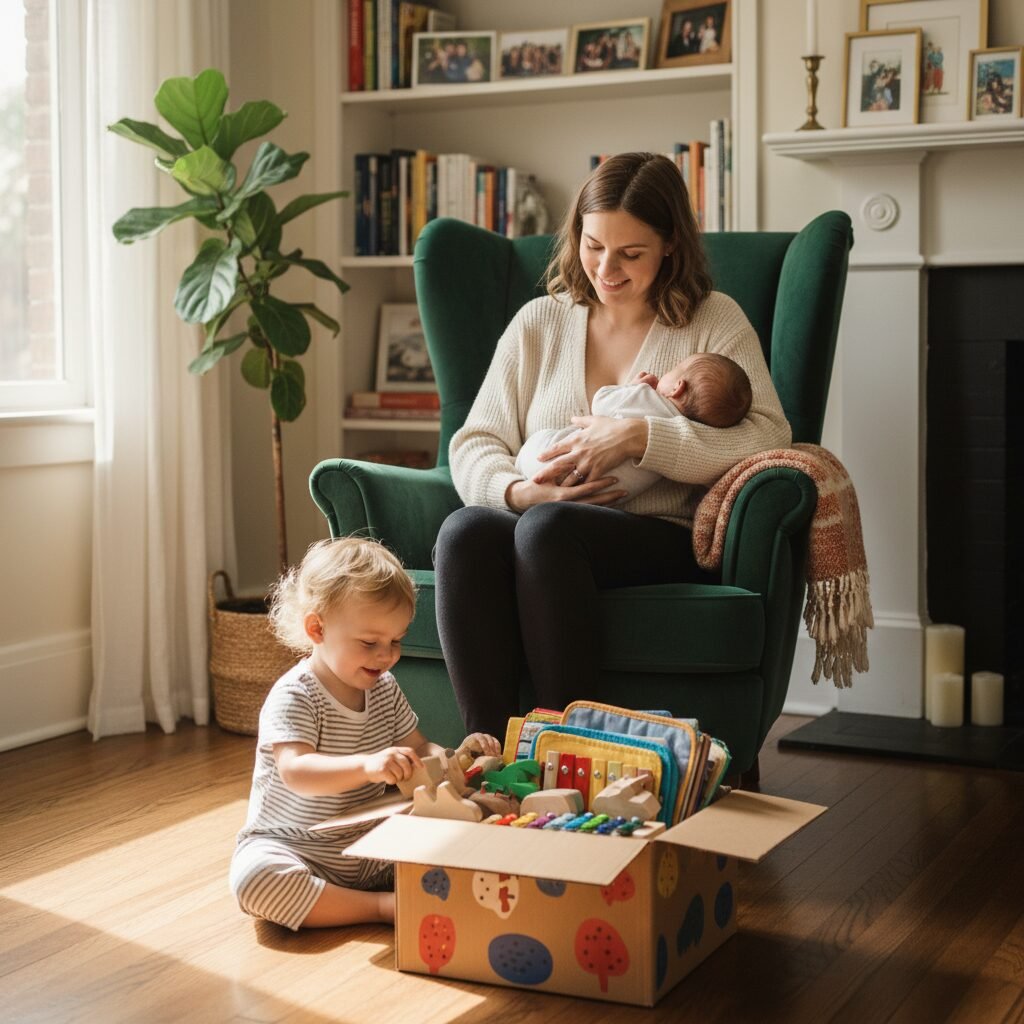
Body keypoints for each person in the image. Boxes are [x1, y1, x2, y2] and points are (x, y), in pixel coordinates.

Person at [434, 152, 792, 738]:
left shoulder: (711, 319)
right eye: (593, 245)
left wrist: (640, 436)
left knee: (549, 530)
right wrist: (520, 491)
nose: (606, 269)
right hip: (540, 520)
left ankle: (569, 746)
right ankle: (489, 750)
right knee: (466, 531)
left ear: (671, 244)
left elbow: (770, 434)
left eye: (631, 253)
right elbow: (476, 440)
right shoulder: (539, 322)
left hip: (655, 537)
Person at [229, 538, 499, 931]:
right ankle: (380, 908)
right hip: (296, 849)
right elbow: (296, 770)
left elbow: (420, 746)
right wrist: (368, 766)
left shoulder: (384, 688)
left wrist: (455, 757)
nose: (386, 655)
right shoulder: (296, 695)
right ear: (317, 628)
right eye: (370, 643)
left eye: (396, 641)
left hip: (371, 849)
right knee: (255, 882)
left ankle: (377, 894)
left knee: (460, 835)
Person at [516, 353, 752, 504]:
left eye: (675, 368)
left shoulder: (645, 395)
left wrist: (630, 388)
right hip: (604, 500)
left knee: (544, 440)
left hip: (545, 466)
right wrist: (516, 495)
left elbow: (601, 401)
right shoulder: (684, 435)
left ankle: (519, 463)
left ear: (677, 388)